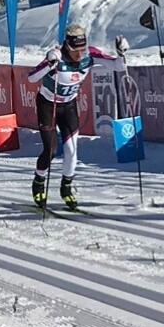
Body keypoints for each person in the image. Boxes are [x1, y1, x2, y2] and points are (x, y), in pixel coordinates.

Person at [27, 24, 128, 209]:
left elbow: (118, 66)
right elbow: (31, 77)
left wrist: (121, 53)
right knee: (50, 150)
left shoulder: (90, 55)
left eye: (83, 49)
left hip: (69, 105)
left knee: (72, 150)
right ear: (68, 46)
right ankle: (39, 181)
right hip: (48, 105)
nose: (80, 54)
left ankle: (66, 188)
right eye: (76, 51)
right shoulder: (57, 56)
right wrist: (49, 64)